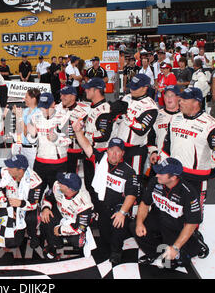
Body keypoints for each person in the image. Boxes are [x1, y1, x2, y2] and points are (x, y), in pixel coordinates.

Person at [161, 87, 215, 242]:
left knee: (194, 213)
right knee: (174, 209)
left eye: (184, 99)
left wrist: (207, 169)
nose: (179, 101)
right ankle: (175, 238)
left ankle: (193, 242)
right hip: (174, 175)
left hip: (196, 178)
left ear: (196, 102)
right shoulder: (175, 118)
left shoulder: (211, 125)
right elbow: (167, 146)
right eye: (180, 98)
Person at [74, 132, 141, 264]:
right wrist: (77, 132)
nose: (114, 154)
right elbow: (86, 146)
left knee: (118, 226)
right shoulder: (101, 159)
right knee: (104, 235)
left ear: (122, 153)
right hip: (101, 204)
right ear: (107, 150)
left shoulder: (129, 172)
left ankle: (117, 251)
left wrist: (122, 213)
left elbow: (131, 195)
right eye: (111, 150)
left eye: (118, 151)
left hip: (118, 207)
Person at [132, 158, 206, 268]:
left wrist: (175, 248)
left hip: (177, 225)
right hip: (159, 217)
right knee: (134, 226)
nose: (157, 175)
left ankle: (196, 244)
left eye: (161, 173)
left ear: (173, 177)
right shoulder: (154, 181)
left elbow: (192, 223)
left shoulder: (188, 192)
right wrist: (139, 223)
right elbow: (145, 203)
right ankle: (154, 254)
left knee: (174, 263)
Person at [111, 74, 158, 178]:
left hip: (135, 150)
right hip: (119, 146)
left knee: (133, 179)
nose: (132, 89)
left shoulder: (150, 107)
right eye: (131, 86)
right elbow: (116, 119)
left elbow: (141, 129)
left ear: (145, 88)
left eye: (135, 87)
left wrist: (126, 115)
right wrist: (115, 114)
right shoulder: (126, 97)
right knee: (117, 178)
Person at [26, 92, 71, 201]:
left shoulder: (63, 117)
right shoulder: (35, 117)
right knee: (35, 195)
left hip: (58, 165)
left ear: (54, 104)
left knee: (57, 197)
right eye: (42, 107)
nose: (45, 110)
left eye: (47, 107)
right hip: (40, 163)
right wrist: (33, 135)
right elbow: (31, 140)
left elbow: (69, 140)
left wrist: (56, 139)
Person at [39, 172, 94, 260]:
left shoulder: (85, 203)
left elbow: (79, 227)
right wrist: (45, 208)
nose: (59, 182)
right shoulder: (57, 186)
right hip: (60, 212)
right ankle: (54, 244)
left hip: (74, 220)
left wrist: (61, 230)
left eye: (62, 183)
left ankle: (71, 238)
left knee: (78, 242)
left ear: (69, 189)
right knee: (46, 218)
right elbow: (48, 197)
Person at [79, 78, 114, 207]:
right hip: (89, 154)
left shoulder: (105, 109)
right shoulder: (91, 107)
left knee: (98, 188)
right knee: (89, 186)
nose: (85, 90)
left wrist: (84, 135)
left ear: (96, 90)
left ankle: (101, 214)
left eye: (88, 88)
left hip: (99, 155)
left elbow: (104, 135)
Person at [0, 154, 43, 248]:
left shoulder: (35, 180)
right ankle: (16, 230)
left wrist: (21, 203)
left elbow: (34, 204)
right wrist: (6, 207)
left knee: (31, 218)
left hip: (26, 206)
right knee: (12, 244)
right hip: (9, 204)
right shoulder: (4, 171)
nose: (8, 168)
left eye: (11, 167)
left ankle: (32, 235)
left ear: (20, 170)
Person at [55, 85, 88, 173]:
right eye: (61, 95)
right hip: (58, 151)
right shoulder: (56, 108)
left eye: (65, 95)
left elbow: (84, 135)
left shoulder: (81, 113)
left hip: (73, 152)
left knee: (70, 179)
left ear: (73, 96)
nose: (61, 97)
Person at [148, 85, 181, 172]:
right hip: (161, 161)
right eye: (166, 95)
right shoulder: (157, 115)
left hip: (180, 162)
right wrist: (153, 152)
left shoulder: (185, 116)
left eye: (172, 95)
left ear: (178, 98)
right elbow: (151, 137)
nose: (169, 98)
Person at [12, 88, 40, 169]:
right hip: (21, 147)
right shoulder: (25, 110)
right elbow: (19, 130)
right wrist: (17, 116)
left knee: (32, 174)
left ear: (33, 99)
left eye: (26, 97)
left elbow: (27, 133)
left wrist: (19, 116)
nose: (24, 99)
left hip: (32, 150)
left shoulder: (38, 113)